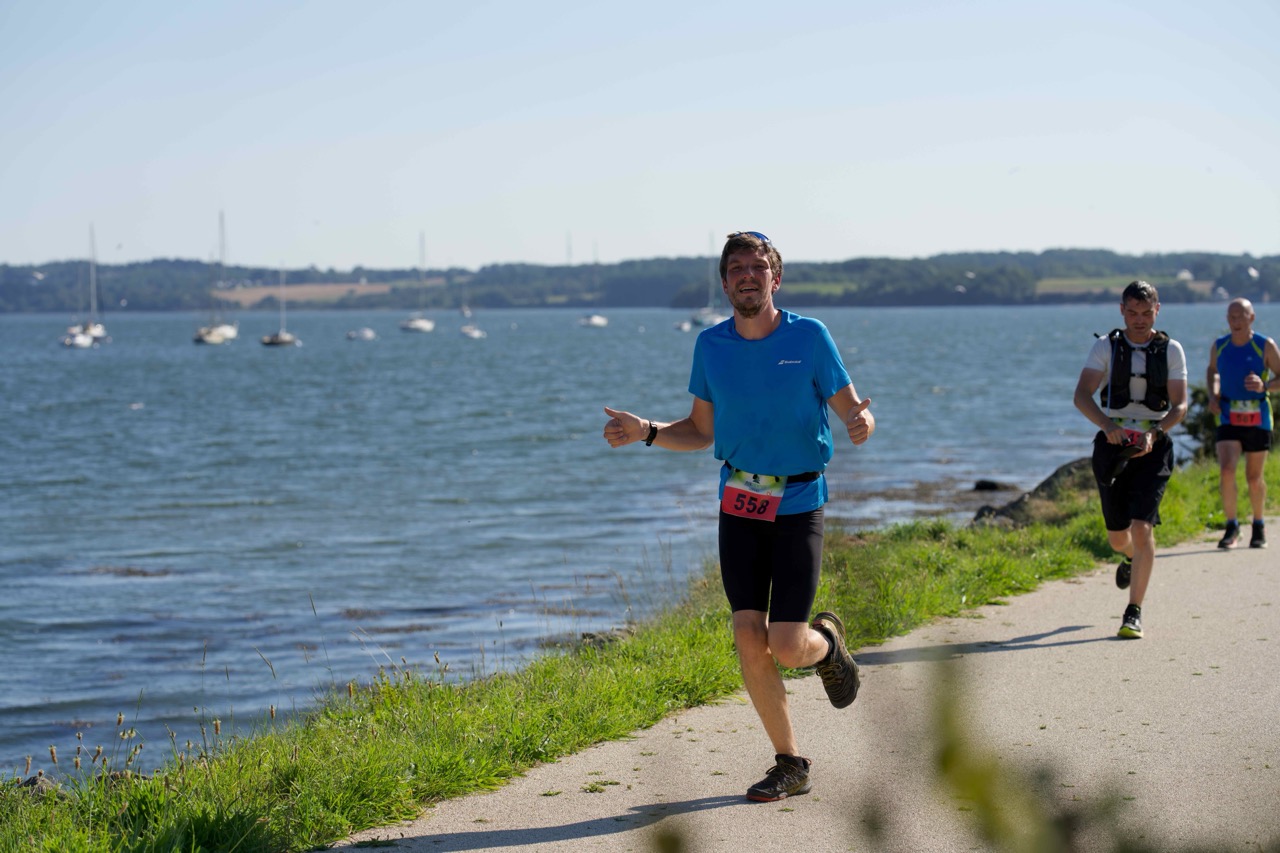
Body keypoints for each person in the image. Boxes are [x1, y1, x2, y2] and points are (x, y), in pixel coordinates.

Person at [602, 230, 874, 802]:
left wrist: (861, 423)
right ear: (725, 283)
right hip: (740, 501)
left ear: (777, 277)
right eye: (736, 269)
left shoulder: (810, 337)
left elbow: (853, 408)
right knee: (749, 635)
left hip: (799, 501)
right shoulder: (711, 346)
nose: (748, 276)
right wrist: (646, 430)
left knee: (788, 645)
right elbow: (700, 431)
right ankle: (790, 762)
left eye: (758, 267)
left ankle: (827, 643)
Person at [1073, 281, 1188, 639]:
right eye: (1133, 312)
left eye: (1146, 312)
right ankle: (1128, 557)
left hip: (1154, 446)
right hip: (1113, 443)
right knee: (1117, 538)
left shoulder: (1171, 350)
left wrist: (1156, 432)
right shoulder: (1105, 347)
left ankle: (1133, 611)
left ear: (1158, 310)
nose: (1140, 320)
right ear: (1122, 310)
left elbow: (1180, 405)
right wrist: (1107, 426)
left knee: (1142, 527)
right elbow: (1082, 395)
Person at [1206, 297, 1280, 549]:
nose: (1235, 321)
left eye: (1240, 316)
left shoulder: (1264, 345)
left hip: (1258, 416)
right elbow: (1212, 371)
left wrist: (1264, 385)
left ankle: (1258, 525)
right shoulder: (1220, 346)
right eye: (1231, 317)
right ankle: (1231, 526)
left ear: (1252, 318)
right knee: (1227, 470)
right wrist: (1213, 394)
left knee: (1253, 477)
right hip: (1228, 415)